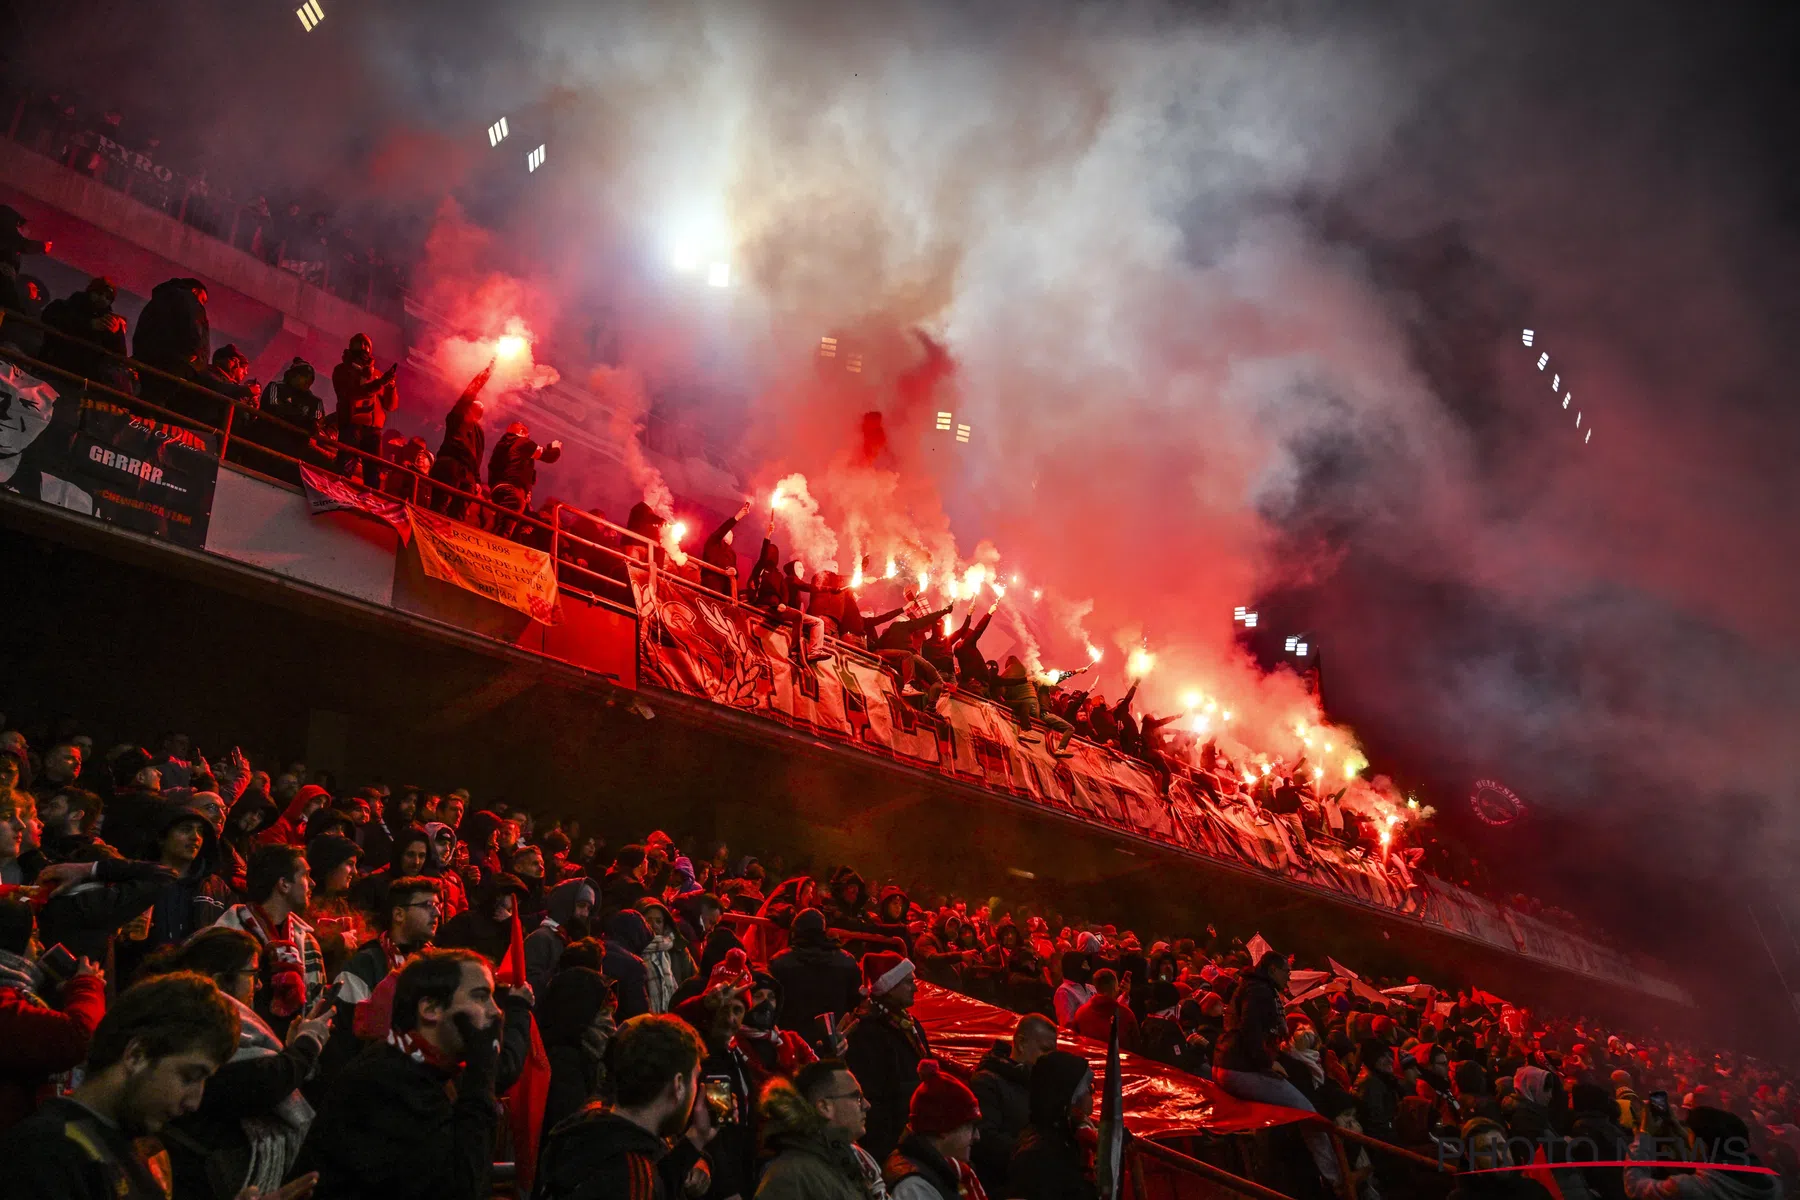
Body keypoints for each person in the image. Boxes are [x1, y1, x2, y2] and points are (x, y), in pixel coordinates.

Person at [0, 972, 245, 1200]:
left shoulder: (130, 1146)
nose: (194, 1101)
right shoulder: (45, 1154)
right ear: (136, 1055)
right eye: (189, 1076)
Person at [292, 948, 503, 1200]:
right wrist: (481, 1071)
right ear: (430, 1009)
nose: (496, 1011)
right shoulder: (386, 1084)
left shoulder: (421, 1068)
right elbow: (461, 1187)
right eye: (480, 997)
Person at [138, 927, 332, 1196]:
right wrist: (307, 1044)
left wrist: (289, 1049)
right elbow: (259, 1083)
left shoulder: (232, 1022)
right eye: (252, 974)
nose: (260, 984)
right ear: (221, 979)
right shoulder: (196, 1022)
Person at [533, 1012, 710, 1200]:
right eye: (695, 1079)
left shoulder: (586, 1128)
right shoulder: (633, 1177)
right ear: (679, 1084)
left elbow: (659, 1182)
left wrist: (696, 1139)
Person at [1213, 950, 1340, 1186]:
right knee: (1309, 1113)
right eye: (1286, 972)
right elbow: (1250, 1030)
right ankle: (1337, 1180)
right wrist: (1268, 1063)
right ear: (1272, 970)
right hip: (1240, 1069)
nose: (1289, 978)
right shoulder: (1259, 991)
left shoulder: (1258, 988)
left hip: (1234, 1065)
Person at [0, 895, 107, 1132]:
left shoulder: (20, 995)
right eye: (33, 937)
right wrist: (87, 985)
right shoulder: (4, 1003)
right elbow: (77, 1035)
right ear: (11, 939)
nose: (39, 947)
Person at [213, 845, 324, 1034]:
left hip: (289, 1054)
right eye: (305, 875)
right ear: (284, 884)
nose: (312, 883)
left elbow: (314, 1004)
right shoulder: (229, 933)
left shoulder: (306, 940)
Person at [844, 952, 932, 1164]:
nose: (916, 988)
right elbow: (874, 1095)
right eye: (909, 982)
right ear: (891, 986)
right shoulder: (868, 1031)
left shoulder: (909, 1023)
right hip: (891, 1142)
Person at [756, 1059, 886, 1200]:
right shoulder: (790, 1177)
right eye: (857, 1097)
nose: (867, 1105)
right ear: (824, 1107)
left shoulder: (844, 1160)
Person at [971, 1015, 1057, 1194]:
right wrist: (1035, 1157)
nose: (1049, 1059)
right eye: (1044, 1050)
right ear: (1021, 1043)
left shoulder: (1039, 1082)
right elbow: (985, 1140)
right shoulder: (987, 1082)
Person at [884, 1059, 987, 1200]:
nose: (977, 1136)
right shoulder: (914, 1187)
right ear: (944, 1128)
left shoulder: (941, 1169)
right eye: (970, 1126)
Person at [1006, 1049, 1097, 1200]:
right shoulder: (1039, 1156)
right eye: (1089, 1088)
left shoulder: (1066, 1136)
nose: (1092, 1094)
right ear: (1071, 1097)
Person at [770, 907, 865, 1044]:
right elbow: (854, 1002)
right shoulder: (847, 961)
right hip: (834, 1041)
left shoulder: (779, 962)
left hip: (792, 1042)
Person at [427, 362, 494, 520]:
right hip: (450, 463)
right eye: (475, 406)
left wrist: (477, 480)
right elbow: (470, 391)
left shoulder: (479, 432)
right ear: (468, 407)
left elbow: (478, 457)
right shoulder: (457, 417)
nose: (480, 409)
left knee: (459, 513)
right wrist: (487, 372)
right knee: (439, 505)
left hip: (468, 473)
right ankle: (430, 530)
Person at [330, 333, 398, 487]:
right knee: (345, 465)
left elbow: (390, 405)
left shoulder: (377, 374)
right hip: (351, 424)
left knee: (373, 472)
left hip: (373, 430)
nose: (363, 349)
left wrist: (391, 387)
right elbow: (353, 394)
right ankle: (336, 492)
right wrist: (380, 382)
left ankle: (370, 500)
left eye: (366, 346)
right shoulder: (342, 370)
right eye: (358, 345)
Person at [39, 277, 131, 391]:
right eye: (99, 293)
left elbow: (119, 357)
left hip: (85, 384)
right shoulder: (65, 306)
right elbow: (51, 319)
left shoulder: (110, 323)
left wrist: (115, 334)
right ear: (89, 292)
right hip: (53, 372)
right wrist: (89, 325)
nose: (102, 299)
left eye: (108, 297)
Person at [486, 419, 562, 537]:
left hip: (497, 489)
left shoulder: (501, 446)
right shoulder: (523, 442)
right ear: (522, 432)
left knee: (500, 523)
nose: (528, 436)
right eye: (527, 433)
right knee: (505, 529)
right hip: (514, 490)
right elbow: (549, 457)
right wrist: (556, 448)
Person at [1448, 1118, 1555, 1200]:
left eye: (1501, 1147)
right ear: (1470, 1158)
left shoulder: (1533, 1190)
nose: (1500, 1157)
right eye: (1486, 1151)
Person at [526, 878, 594, 997]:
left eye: (589, 908)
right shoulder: (540, 938)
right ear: (565, 904)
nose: (585, 913)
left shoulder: (572, 939)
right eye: (581, 905)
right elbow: (531, 988)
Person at [1069, 968, 1138, 1052]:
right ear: (1115, 988)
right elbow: (1136, 1048)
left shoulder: (1081, 1013)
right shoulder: (1127, 1015)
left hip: (1088, 1062)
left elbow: (1074, 1043)